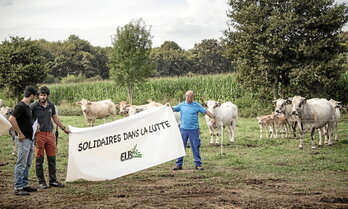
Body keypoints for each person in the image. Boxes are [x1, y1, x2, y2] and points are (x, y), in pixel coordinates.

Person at [30, 86, 71, 189]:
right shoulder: (33, 106)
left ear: (48, 96)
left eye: (44, 95)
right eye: (40, 95)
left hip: (50, 134)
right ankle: (41, 182)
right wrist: (34, 125)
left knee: (52, 158)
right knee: (39, 159)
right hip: (39, 135)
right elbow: (27, 117)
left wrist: (63, 128)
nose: (42, 97)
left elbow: (55, 118)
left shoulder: (51, 105)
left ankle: (53, 180)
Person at [170, 90, 215, 170]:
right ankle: (178, 164)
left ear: (193, 97)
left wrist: (213, 117)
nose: (188, 97)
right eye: (187, 96)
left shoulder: (196, 105)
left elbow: (205, 111)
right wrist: (168, 106)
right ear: (185, 96)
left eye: (190, 96)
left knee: (195, 146)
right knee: (181, 146)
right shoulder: (182, 105)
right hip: (183, 129)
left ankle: (198, 164)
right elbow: (174, 109)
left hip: (194, 129)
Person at [9, 86, 39, 196]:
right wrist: (20, 133)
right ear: (31, 95)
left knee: (27, 163)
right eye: (34, 95)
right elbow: (11, 119)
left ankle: (24, 184)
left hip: (29, 138)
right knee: (21, 163)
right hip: (23, 139)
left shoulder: (27, 106)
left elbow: (26, 120)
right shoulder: (20, 106)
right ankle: (18, 187)